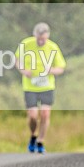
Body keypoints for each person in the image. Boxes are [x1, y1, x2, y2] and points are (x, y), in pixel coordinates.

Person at [15, 22, 67, 154]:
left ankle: (41, 141)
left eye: (43, 39)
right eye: (38, 39)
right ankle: (33, 136)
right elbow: (17, 60)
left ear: (47, 36)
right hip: (30, 86)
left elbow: (61, 68)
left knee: (45, 113)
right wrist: (23, 70)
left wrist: (51, 70)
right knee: (33, 115)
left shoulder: (53, 47)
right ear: (34, 35)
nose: (41, 41)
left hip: (47, 86)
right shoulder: (26, 44)